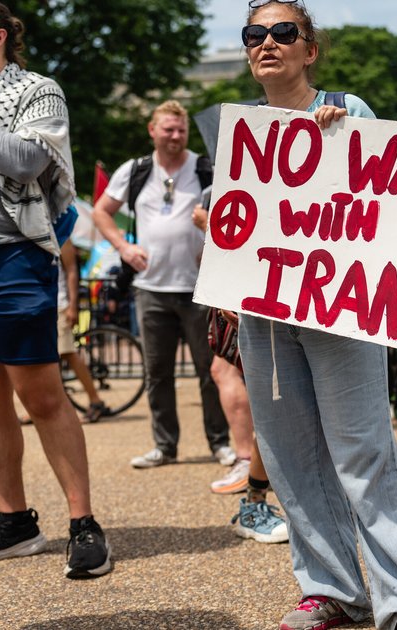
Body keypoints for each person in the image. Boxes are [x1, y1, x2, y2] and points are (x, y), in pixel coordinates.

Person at [232, 2, 397, 629]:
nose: (266, 43)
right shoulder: (238, 131)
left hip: (343, 312)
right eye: (255, 35)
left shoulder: (349, 111)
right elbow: (233, 224)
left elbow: (388, 209)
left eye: (282, 33)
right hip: (266, 318)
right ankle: (329, 588)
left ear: (310, 49)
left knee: (363, 452)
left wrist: (345, 140)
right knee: (292, 458)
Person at [0, 0, 111, 580]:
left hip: (18, 257)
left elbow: (25, 161)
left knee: (42, 394)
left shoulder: (36, 89)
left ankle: (83, 523)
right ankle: (14, 520)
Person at [92, 100, 234, 471]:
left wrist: (215, 244)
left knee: (211, 371)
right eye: (168, 129)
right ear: (152, 130)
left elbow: (236, 211)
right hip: (150, 288)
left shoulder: (206, 168)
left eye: (181, 130)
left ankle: (220, 443)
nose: (175, 135)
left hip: (200, 286)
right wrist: (123, 247)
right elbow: (100, 211)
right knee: (157, 373)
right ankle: (164, 446)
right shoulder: (135, 170)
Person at [193, 206, 289, 544]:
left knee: (295, 406)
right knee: (276, 404)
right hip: (262, 287)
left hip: (311, 282)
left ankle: (261, 500)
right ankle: (254, 502)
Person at [58, 239, 110, 423]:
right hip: (42, 306)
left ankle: (95, 400)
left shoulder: (61, 232)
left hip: (59, 304)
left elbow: (72, 270)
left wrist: (73, 306)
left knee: (69, 353)